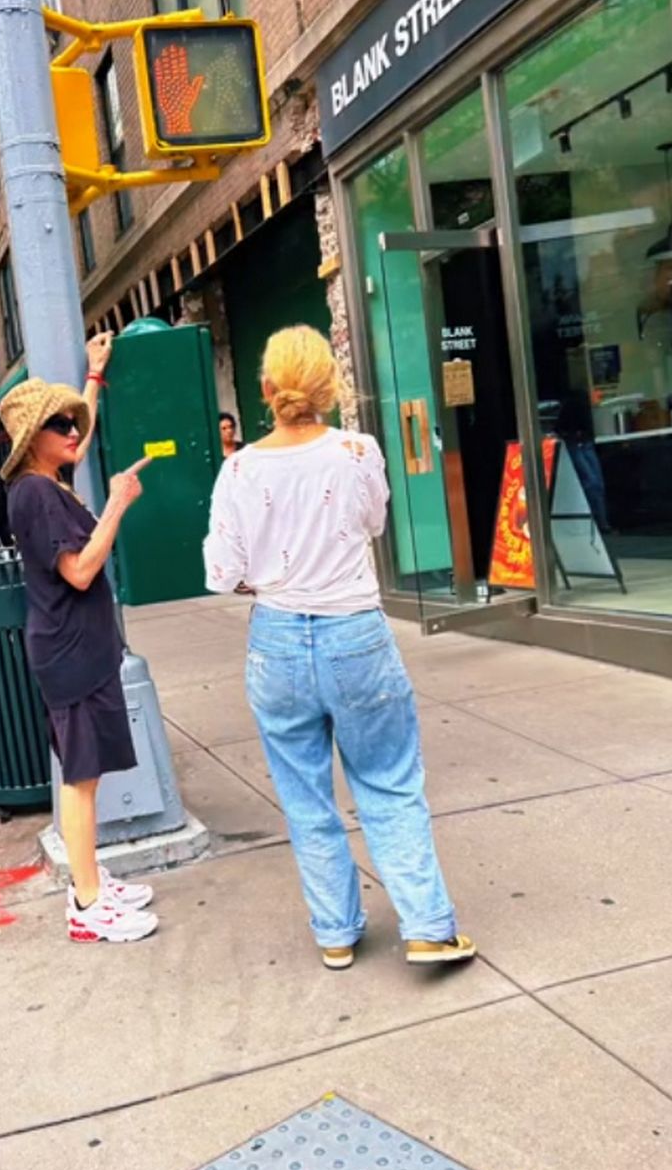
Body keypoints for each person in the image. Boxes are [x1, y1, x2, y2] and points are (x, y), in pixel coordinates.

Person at [203, 325, 474, 973]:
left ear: (266, 389)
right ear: (329, 387)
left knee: (304, 796)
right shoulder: (356, 452)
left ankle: (335, 931)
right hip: (354, 630)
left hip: (277, 639)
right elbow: (373, 523)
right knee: (388, 782)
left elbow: (221, 569)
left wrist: (262, 573)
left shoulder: (238, 468)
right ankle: (428, 927)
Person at [1, 333, 157, 945]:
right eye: (58, 424)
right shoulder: (38, 494)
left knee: (84, 774)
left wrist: (93, 375)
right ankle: (87, 904)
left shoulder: (44, 483)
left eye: (73, 421)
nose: (73, 430)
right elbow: (80, 570)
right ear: (30, 439)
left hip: (74, 648)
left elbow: (79, 443)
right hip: (68, 652)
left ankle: (92, 882)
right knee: (79, 780)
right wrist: (117, 504)